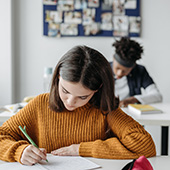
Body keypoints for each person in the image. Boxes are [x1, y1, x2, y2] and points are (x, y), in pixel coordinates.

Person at [0, 45, 156, 166]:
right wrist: (19, 151)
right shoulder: (40, 104)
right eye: (65, 91)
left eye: (82, 96)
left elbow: (145, 145)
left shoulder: (105, 109)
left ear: (97, 89)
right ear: (58, 78)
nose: (70, 102)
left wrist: (81, 149)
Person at [111, 37, 162, 107]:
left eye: (125, 71)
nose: (119, 73)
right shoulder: (101, 70)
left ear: (133, 66)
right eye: (117, 68)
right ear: (113, 59)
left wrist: (133, 100)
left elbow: (157, 96)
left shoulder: (140, 70)